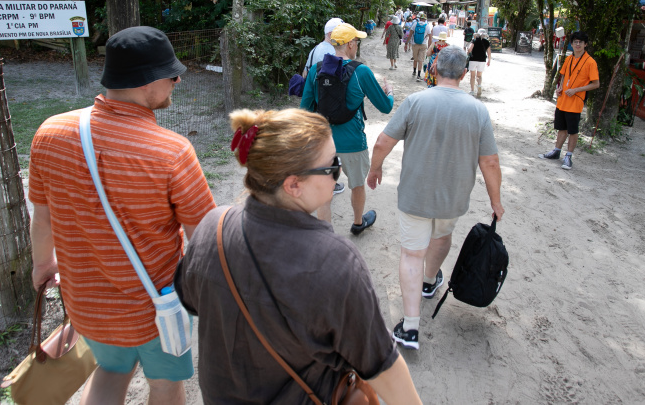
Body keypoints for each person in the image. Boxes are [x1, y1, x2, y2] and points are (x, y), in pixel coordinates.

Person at [176, 108, 422, 404]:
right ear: (293, 185)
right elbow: (380, 364)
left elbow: (191, 299)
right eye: (333, 165)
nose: (339, 171)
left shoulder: (211, 228)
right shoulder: (335, 262)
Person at [29, 26, 217, 404]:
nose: (178, 80)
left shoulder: (49, 133)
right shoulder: (171, 152)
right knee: (165, 386)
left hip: (86, 301)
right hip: (156, 309)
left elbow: (43, 216)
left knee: (110, 372)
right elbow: (205, 240)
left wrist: (42, 265)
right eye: (172, 74)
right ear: (147, 82)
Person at [366, 46, 504, 350]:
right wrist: (496, 201)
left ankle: (410, 327)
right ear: (465, 74)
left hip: (415, 194)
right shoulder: (478, 110)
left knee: (411, 254)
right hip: (453, 197)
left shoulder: (416, 102)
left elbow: (382, 141)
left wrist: (375, 170)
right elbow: (490, 162)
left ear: (433, 69)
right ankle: (429, 281)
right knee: (442, 237)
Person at [301, 24, 394, 233]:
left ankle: (326, 235)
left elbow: (304, 109)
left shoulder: (317, 70)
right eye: (357, 41)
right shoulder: (361, 71)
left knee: (325, 191)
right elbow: (385, 107)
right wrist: (389, 92)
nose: (357, 45)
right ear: (350, 44)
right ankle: (358, 223)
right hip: (353, 142)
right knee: (357, 185)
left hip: (324, 143)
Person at [538, 31, 600, 170]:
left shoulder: (590, 62)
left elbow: (596, 84)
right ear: (571, 44)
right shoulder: (568, 59)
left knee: (573, 130)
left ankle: (568, 156)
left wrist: (576, 90)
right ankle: (556, 151)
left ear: (586, 44)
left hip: (576, 100)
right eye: (575, 42)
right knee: (562, 128)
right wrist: (560, 88)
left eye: (580, 42)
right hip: (563, 99)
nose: (577, 44)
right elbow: (564, 76)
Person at [302, 17, 347, 195]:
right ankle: (329, 183)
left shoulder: (315, 49)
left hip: (312, 103)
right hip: (326, 107)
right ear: (331, 34)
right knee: (329, 147)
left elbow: (306, 73)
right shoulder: (332, 52)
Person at [467, 28, 492, 97]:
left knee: (472, 76)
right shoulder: (487, 42)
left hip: (473, 59)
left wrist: (467, 53)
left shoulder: (474, 40)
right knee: (479, 75)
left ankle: (472, 91)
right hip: (482, 60)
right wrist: (489, 61)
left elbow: (469, 49)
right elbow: (489, 53)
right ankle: (479, 85)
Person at [411, 12, 429, 81]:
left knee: (415, 58)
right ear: (425, 19)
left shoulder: (415, 24)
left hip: (415, 44)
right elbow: (429, 36)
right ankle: (418, 75)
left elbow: (410, 33)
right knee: (420, 60)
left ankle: (414, 71)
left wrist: (407, 43)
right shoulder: (427, 26)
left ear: (420, 18)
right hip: (423, 44)